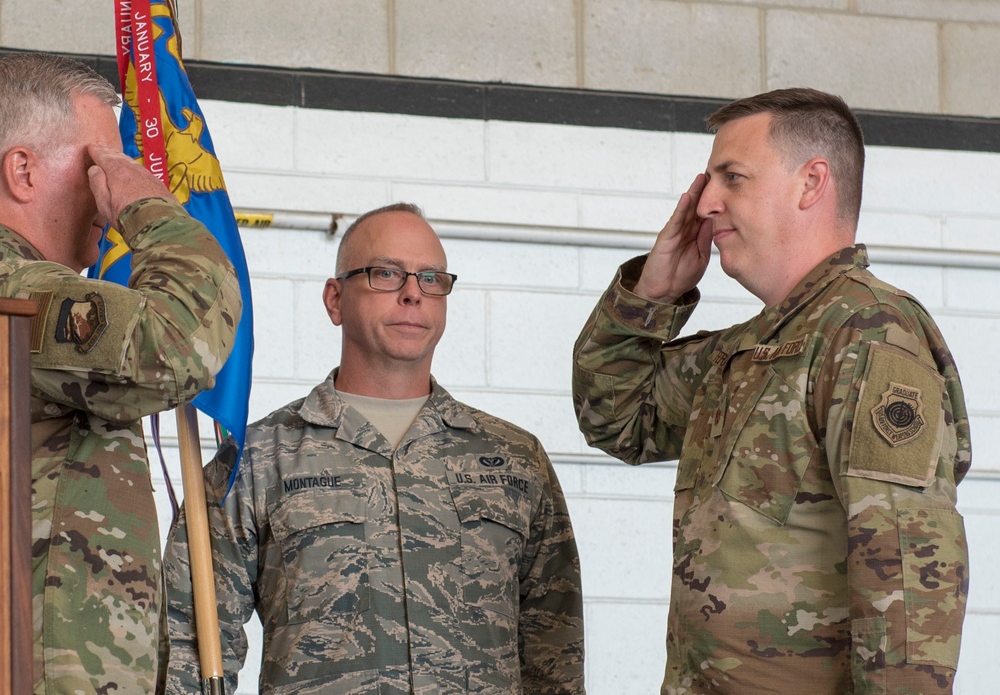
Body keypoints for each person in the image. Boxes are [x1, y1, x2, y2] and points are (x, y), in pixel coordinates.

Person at [572, 88, 969, 693]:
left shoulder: (868, 333)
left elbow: (909, 578)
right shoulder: (748, 350)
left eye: (732, 177)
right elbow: (618, 417)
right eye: (708, 182)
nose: (705, 203)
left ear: (811, 184)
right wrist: (649, 299)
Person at [163, 203, 585, 694]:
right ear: (335, 299)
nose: (413, 294)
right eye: (387, 274)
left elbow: (555, 653)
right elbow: (190, 643)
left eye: (431, 278)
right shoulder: (261, 459)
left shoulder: (515, 461)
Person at [0, 51, 242, 693]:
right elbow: (178, 342)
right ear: (21, 170)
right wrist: (154, 211)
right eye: (98, 164)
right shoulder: (15, 293)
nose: (112, 192)